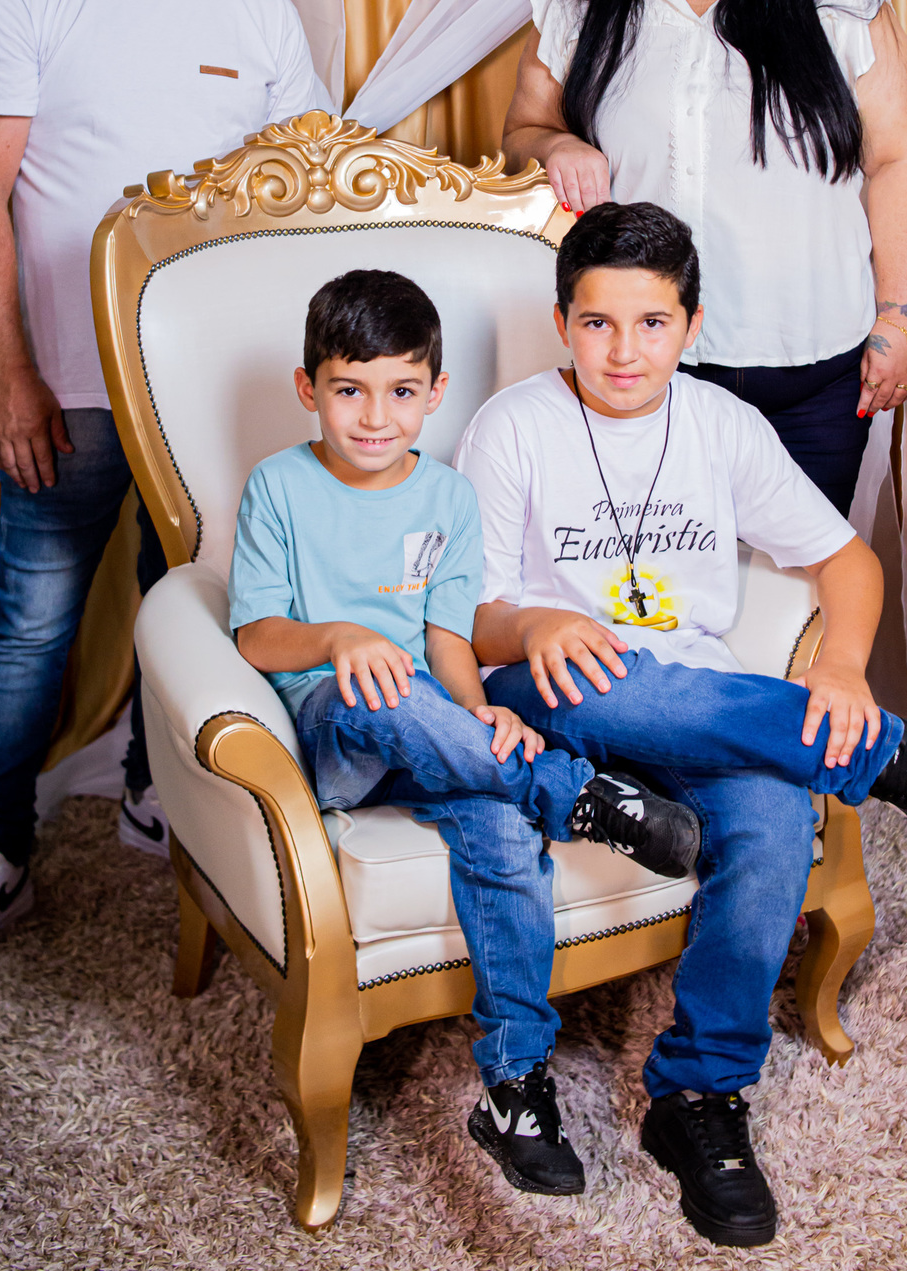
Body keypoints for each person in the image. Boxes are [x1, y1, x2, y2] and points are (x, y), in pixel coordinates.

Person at [456, 201, 907, 1248]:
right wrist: (534, 620)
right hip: (557, 695)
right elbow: (472, 615)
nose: (624, 351)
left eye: (652, 323)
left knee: (768, 820)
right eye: (597, 323)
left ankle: (698, 1096)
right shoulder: (513, 425)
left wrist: (842, 668)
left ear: (693, 324)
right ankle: (888, 757)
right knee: (608, 679)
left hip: (701, 703)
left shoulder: (721, 422)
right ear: (561, 322)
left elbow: (845, 560)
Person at [0, 0, 331, 983]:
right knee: (31, 627)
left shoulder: (260, 15)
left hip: (212, 400)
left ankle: (157, 792)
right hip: (71, 390)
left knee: (191, 608)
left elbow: (298, 209)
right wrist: (10, 375)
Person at [230, 269, 701, 1198]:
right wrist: (338, 638)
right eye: (349, 390)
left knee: (499, 825)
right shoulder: (278, 486)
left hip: (436, 731)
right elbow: (254, 634)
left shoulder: (446, 496)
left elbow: (448, 638)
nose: (376, 416)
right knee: (383, 691)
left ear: (435, 392)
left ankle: (515, 1086)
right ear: (307, 388)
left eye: (401, 391)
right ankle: (577, 793)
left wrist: (480, 708)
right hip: (337, 727)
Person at [502, 0, 907, 516]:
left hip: (817, 375)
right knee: (653, 574)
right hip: (645, 372)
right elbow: (519, 136)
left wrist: (901, 320)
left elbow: (897, 158)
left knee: (804, 577)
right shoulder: (579, 5)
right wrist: (554, 144)